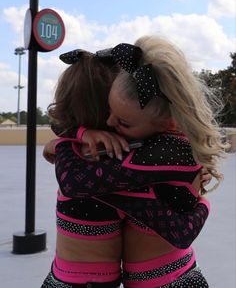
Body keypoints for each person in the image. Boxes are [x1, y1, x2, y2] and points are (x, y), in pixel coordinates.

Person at [42, 36, 227, 287]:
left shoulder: (163, 154)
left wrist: (66, 142)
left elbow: (72, 180)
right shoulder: (109, 157)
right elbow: (62, 124)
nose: (110, 123)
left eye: (122, 120)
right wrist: (77, 135)